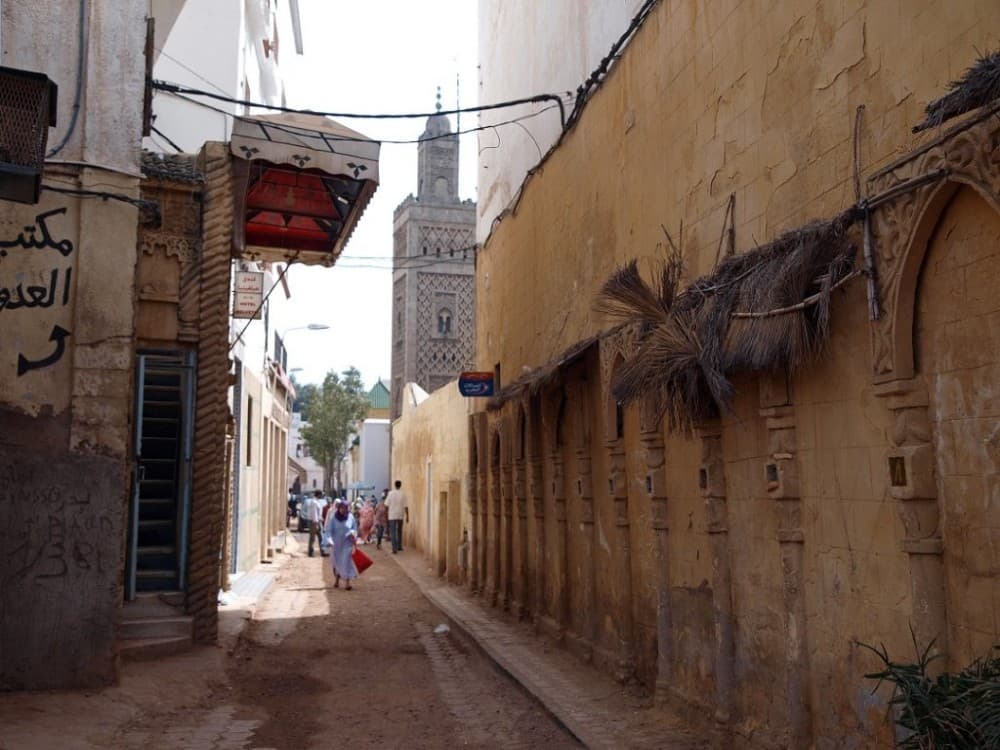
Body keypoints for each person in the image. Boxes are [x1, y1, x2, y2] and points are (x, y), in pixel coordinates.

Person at [324, 498, 358, 590]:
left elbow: (354, 528)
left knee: (346, 562)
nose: (343, 510)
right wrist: (330, 541)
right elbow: (329, 531)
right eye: (342, 508)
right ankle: (337, 580)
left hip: (347, 543)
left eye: (345, 508)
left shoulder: (350, 517)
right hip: (337, 545)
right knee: (337, 563)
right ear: (338, 508)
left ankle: (347, 583)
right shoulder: (334, 518)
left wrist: (352, 533)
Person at [302, 489, 324, 557]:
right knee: (313, 538)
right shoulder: (314, 502)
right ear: (319, 494)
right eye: (321, 494)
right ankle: (311, 552)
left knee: (321, 537)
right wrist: (316, 523)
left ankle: (322, 551)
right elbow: (314, 514)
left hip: (316, 521)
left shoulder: (316, 501)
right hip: (314, 522)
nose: (322, 496)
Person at [385, 480, 406, 554]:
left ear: (394, 485)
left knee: (393, 532)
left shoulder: (390, 494)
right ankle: (399, 546)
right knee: (399, 531)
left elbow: (386, 505)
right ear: (400, 485)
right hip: (400, 514)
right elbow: (406, 506)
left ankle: (394, 548)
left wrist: (386, 513)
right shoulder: (403, 494)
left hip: (392, 515)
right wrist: (407, 516)